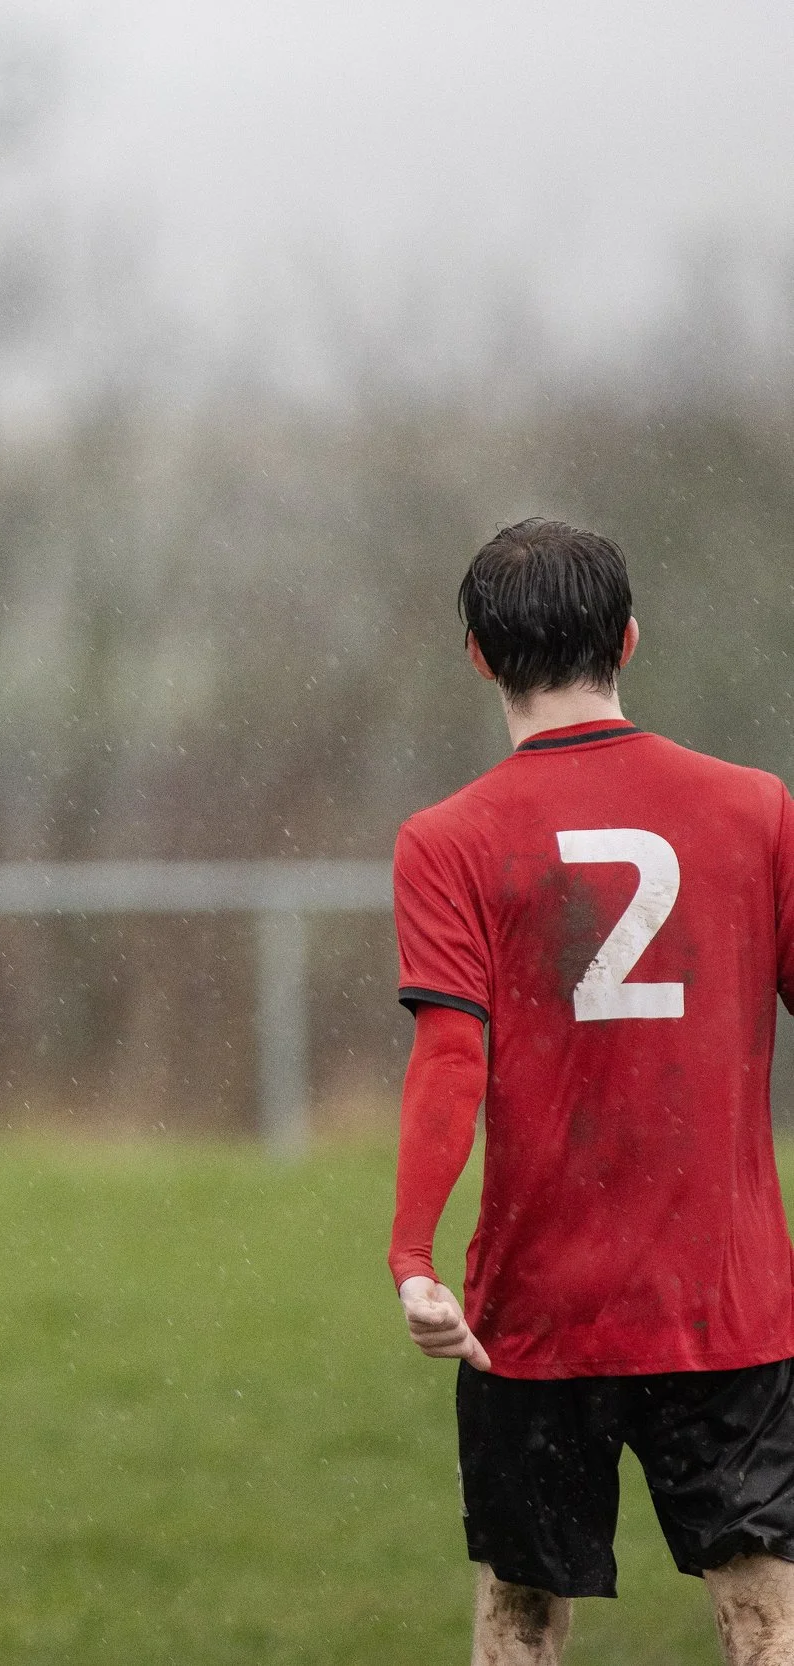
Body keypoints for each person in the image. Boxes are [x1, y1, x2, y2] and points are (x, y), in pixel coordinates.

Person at [390, 519, 794, 1665]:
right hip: (725, 1301)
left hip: (534, 1309)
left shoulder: (446, 838)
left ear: (475, 655)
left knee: (519, 1617)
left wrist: (414, 1257)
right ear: (627, 636)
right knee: (765, 1617)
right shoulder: (757, 807)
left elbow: (449, 1061)